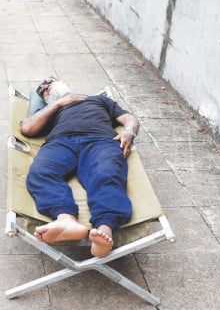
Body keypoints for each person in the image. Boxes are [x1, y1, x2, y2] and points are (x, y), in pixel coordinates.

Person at [20, 77, 139, 258]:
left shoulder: (99, 100)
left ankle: (105, 231)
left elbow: (129, 118)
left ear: (64, 83)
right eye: (43, 90)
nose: (46, 88)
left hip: (100, 141)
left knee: (106, 174)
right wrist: (57, 104)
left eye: (49, 83)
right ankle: (66, 221)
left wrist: (129, 132)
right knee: (40, 172)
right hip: (60, 142)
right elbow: (27, 129)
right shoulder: (48, 111)